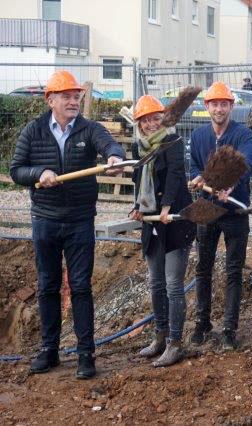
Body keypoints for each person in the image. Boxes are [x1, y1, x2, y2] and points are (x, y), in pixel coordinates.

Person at [10, 70, 125, 379]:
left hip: (79, 221)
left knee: (81, 286)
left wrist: (114, 158)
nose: (74, 101)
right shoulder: (33, 131)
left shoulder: (89, 130)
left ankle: (86, 354)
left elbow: (111, 146)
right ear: (51, 100)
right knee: (47, 286)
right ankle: (49, 351)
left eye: (77, 96)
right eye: (67, 96)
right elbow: (16, 170)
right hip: (45, 221)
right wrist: (38, 174)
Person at [188, 81, 252, 350]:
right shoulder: (199, 136)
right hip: (206, 207)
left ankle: (229, 328)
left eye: (224, 104)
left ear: (231, 106)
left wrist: (231, 184)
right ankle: (202, 323)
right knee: (202, 268)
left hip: (235, 210)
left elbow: (247, 162)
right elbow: (194, 164)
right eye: (214, 104)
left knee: (233, 270)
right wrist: (197, 177)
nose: (219, 108)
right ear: (207, 107)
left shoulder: (243, 134)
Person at [128, 95, 196, 367]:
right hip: (152, 223)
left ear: (164, 118)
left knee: (172, 284)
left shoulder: (173, 142)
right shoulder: (139, 147)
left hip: (175, 221)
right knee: (155, 283)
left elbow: (176, 175)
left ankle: (175, 343)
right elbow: (138, 179)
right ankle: (160, 335)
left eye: (155, 118)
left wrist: (167, 206)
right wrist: (137, 206)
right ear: (139, 124)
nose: (151, 123)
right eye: (145, 120)